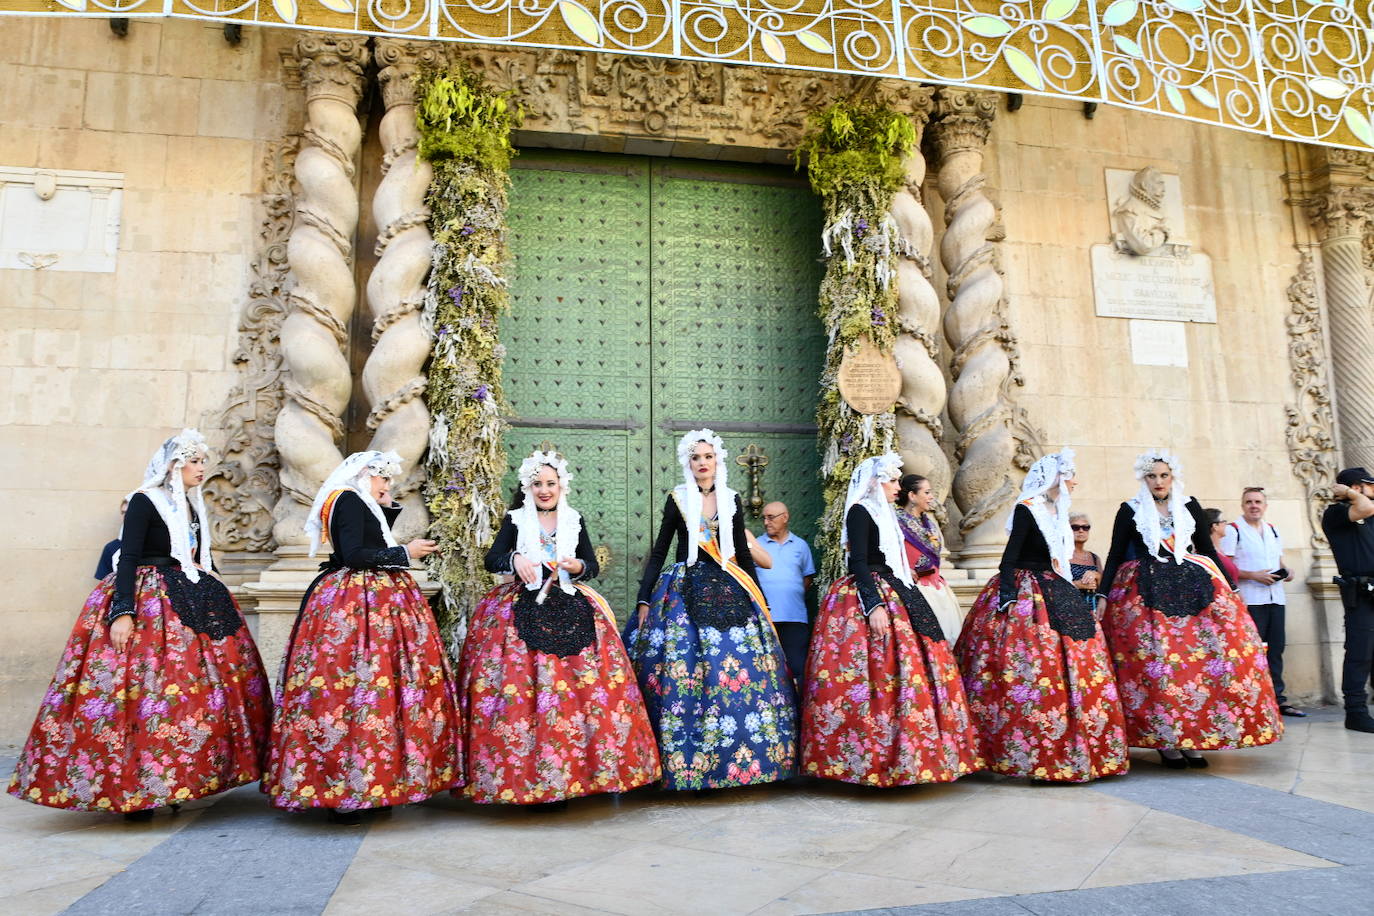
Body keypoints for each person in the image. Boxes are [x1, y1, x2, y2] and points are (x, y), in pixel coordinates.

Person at [9, 430, 271, 819]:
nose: (203, 468)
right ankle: (135, 790)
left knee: (185, 695)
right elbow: (128, 556)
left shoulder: (190, 505)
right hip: (150, 601)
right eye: (195, 461)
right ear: (174, 465)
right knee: (139, 694)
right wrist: (123, 612)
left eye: (203, 461)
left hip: (187, 599)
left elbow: (196, 554)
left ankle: (179, 779)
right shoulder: (143, 502)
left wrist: (209, 578)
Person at [262, 451, 462, 824]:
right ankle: (346, 792)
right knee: (354, 691)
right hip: (354, 606)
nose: (387, 485)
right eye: (383, 479)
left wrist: (385, 506)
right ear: (365, 474)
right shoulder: (348, 498)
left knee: (379, 692)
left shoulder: (357, 500)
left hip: (377, 599)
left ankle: (378, 786)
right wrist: (405, 551)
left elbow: (368, 540)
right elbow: (354, 553)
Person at [461, 448, 661, 805]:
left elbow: (591, 565)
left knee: (584, 691)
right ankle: (525, 779)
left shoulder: (574, 519)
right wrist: (515, 557)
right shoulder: (516, 519)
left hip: (571, 606)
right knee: (523, 692)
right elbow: (492, 557)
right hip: (521, 607)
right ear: (528, 486)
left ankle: (583, 775)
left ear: (561, 485)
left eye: (550, 483)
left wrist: (577, 566)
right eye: (537, 483)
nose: (544, 490)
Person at [622, 429, 797, 791]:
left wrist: (760, 601)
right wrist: (643, 597)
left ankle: (743, 763)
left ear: (718, 461)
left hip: (728, 585)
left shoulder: (731, 499)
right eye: (696, 458)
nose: (702, 464)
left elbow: (744, 556)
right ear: (689, 463)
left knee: (739, 669)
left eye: (708, 457)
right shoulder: (678, 499)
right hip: (683, 589)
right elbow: (660, 551)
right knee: (682, 669)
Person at [803, 454, 982, 786]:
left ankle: (918, 754)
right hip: (871, 590)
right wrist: (873, 606)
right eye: (893, 481)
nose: (898, 487)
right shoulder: (860, 512)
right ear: (875, 482)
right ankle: (867, 758)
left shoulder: (886, 514)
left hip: (896, 586)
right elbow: (857, 561)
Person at [1098, 449, 1282, 769]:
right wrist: (1103, 595)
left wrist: (1232, 588)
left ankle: (1194, 737)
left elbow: (1207, 548)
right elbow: (1115, 554)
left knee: (1197, 666)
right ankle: (1167, 741)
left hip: (1192, 585)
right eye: (1152, 476)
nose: (1158, 481)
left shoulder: (1189, 504)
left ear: (1173, 477)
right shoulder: (1130, 509)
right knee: (1159, 667)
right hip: (1146, 591)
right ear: (1144, 478)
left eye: (1164, 475)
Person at [955, 449, 1128, 783]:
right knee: (1027, 670)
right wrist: (1007, 597)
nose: (1075, 480)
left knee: (1076, 662)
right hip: (1026, 590)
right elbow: (1010, 558)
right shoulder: (1028, 508)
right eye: (1070, 474)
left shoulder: (1058, 510)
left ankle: (1070, 749)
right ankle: (1026, 753)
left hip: (1057, 588)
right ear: (1055, 478)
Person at [1219, 488, 1304, 718]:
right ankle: (1253, 700)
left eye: (1258, 502)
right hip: (1251, 600)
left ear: (1265, 506)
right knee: (1252, 651)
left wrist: (1287, 571)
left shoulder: (1273, 530)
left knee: (1276, 650)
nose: (1254, 505)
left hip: (1275, 599)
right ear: (1242, 505)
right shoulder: (1233, 530)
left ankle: (1278, 699)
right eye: (1249, 502)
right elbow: (1226, 567)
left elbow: (1279, 561)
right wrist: (1253, 575)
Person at [1321, 467, 1374, 733]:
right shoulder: (1336, 513)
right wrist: (1351, 494)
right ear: (1354, 487)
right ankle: (1355, 712)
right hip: (1359, 591)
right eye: (1368, 485)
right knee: (1360, 652)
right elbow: (1362, 508)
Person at [754, 501, 816, 689]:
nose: (766, 522)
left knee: (797, 667)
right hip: (764, 618)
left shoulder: (800, 546)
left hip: (794, 618)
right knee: (765, 668)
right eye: (764, 517)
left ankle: (797, 713)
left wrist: (790, 595)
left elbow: (808, 578)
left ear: (785, 517)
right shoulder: (756, 545)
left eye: (770, 517)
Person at [895, 474, 963, 641]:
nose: (931, 496)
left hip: (937, 588)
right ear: (912, 496)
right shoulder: (895, 522)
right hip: (914, 589)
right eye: (926, 492)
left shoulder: (929, 523)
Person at [1069, 512, 1102, 611]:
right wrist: (1078, 584)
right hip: (1069, 610)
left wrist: (1096, 575)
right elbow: (1052, 586)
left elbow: (1104, 588)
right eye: (1075, 527)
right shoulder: (1061, 556)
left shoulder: (1094, 558)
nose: (1081, 530)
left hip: (1093, 611)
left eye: (1085, 527)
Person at [94, 498, 128, 581]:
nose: (126, 516)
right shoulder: (111, 548)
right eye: (123, 512)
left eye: (130, 512)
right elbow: (103, 583)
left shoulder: (155, 548)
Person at [1205, 509, 1243, 585]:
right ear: (1215, 526)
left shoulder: (1220, 552)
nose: (1226, 524)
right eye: (1223, 521)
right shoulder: (1210, 556)